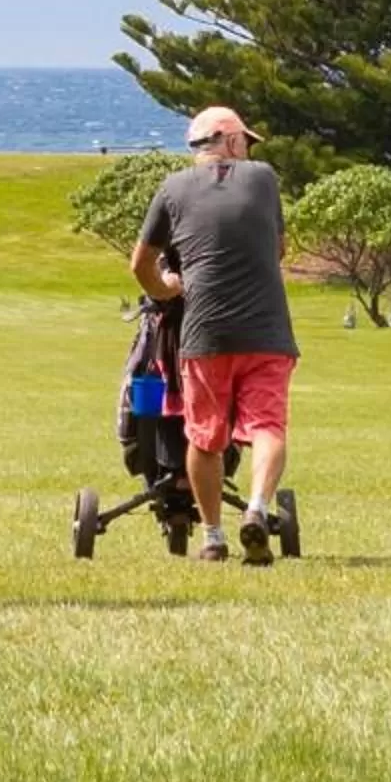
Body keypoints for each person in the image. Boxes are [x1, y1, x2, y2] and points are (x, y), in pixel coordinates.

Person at [128, 106, 297, 565]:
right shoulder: (263, 179)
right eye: (246, 140)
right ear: (229, 139)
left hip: (204, 333)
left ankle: (213, 536)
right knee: (267, 427)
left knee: (204, 438)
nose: (249, 150)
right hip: (268, 332)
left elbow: (140, 263)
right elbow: (278, 249)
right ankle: (258, 509)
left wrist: (164, 290)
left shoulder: (173, 188)